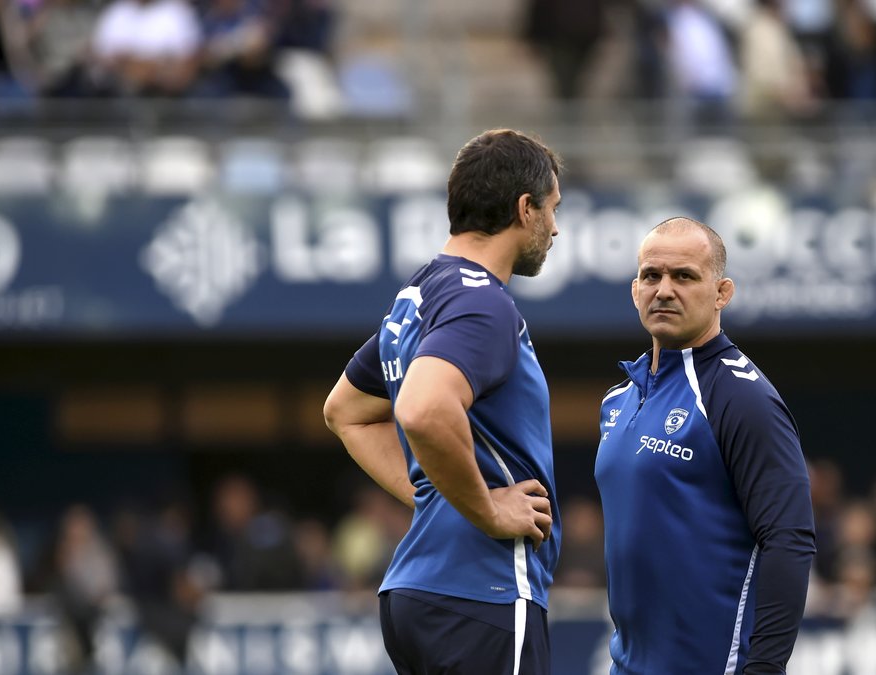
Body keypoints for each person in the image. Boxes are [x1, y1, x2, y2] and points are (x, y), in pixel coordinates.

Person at [323, 128, 563, 675]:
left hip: (419, 592)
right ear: (524, 208)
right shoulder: (484, 303)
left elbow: (345, 412)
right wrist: (485, 508)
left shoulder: (419, 295)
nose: (555, 227)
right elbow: (422, 408)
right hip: (486, 591)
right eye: (552, 209)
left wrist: (446, 497)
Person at [595, 217, 815, 674]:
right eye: (651, 276)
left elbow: (789, 539)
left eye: (684, 276)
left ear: (722, 293)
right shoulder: (619, 398)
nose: (664, 290)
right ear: (635, 290)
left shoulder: (742, 397)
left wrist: (765, 668)